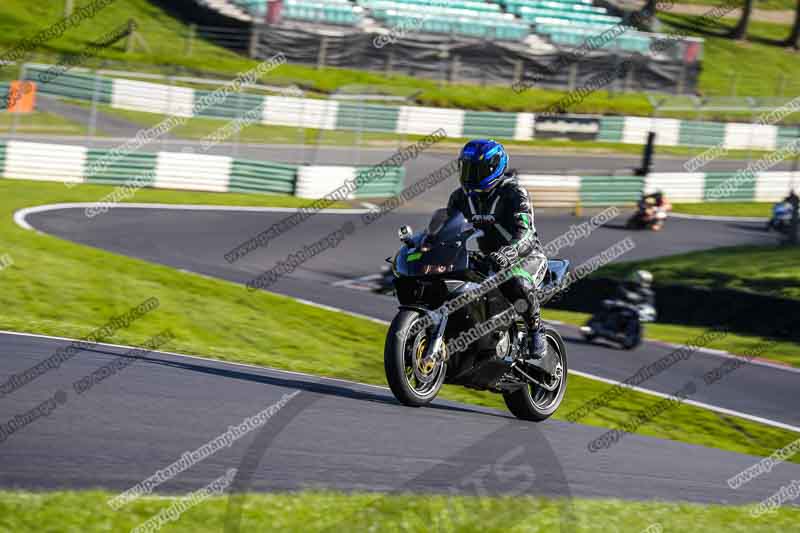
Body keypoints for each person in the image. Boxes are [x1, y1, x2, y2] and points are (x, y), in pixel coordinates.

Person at [446, 139, 549, 359]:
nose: (470, 175)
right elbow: (447, 231)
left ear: (494, 168)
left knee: (515, 279)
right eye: (467, 168)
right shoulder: (459, 197)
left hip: (525, 256)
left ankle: (535, 330)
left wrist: (507, 254)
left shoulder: (514, 193)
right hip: (487, 258)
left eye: (477, 169)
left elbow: (526, 234)